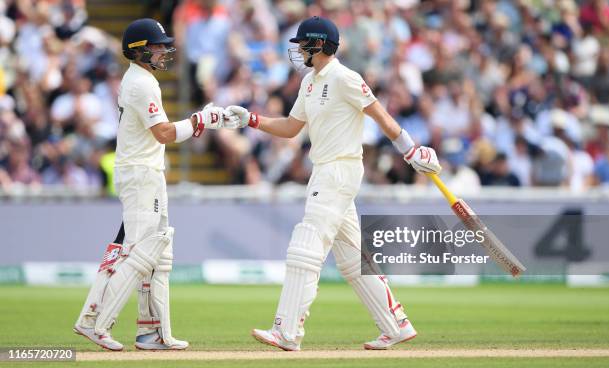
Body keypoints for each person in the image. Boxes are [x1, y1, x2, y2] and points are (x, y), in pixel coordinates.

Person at [225, 16, 442, 351]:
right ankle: (395, 324)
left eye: (302, 44)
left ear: (319, 45)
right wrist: (251, 119)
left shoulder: (345, 78)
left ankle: (287, 331)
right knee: (353, 260)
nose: (297, 50)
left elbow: (381, 116)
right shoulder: (309, 82)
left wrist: (410, 149)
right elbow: (290, 128)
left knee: (306, 244)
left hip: (338, 171)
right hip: (324, 171)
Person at [73, 18, 231, 351]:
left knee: (155, 254)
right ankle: (99, 325)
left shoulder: (141, 79)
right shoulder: (141, 83)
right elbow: (164, 133)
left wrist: (199, 121)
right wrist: (202, 120)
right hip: (140, 174)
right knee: (141, 253)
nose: (164, 51)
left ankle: (151, 332)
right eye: (157, 46)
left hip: (145, 172)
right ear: (140, 50)